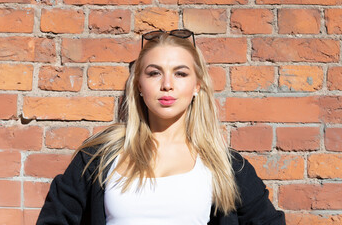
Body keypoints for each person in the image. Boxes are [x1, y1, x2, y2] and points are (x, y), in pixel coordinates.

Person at [37, 29, 286, 225]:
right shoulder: (99, 156)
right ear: (138, 85)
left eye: (180, 74)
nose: (167, 85)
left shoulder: (224, 165)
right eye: (154, 73)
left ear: (197, 86)